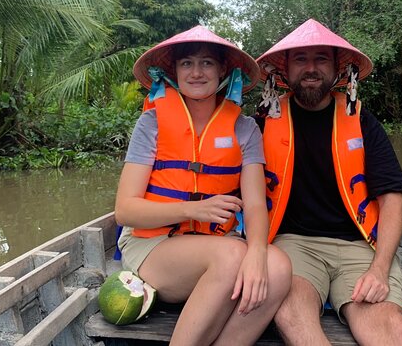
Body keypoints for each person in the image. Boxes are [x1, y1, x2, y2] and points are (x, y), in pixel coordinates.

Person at [115, 26, 291, 346]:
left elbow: (254, 204)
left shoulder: (245, 128)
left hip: (220, 245)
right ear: (174, 71)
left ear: (223, 70)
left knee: (278, 267)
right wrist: (191, 209)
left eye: (207, 63)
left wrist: (257, 251)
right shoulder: (151, 123)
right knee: (230, 256)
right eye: (187, 64)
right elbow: (125, 210)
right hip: (155, 247)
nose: (197, 72)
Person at [255, 19, 402, 345]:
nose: (311, 68)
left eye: (321, 59)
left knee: (388, 326)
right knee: (291, 312)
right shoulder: (263, 123)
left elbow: (392, 199)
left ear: (337, 69)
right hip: (293, 243)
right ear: (285, 69)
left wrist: (379, 269)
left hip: (360, 246)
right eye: (300, 59)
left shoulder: (362, 121)